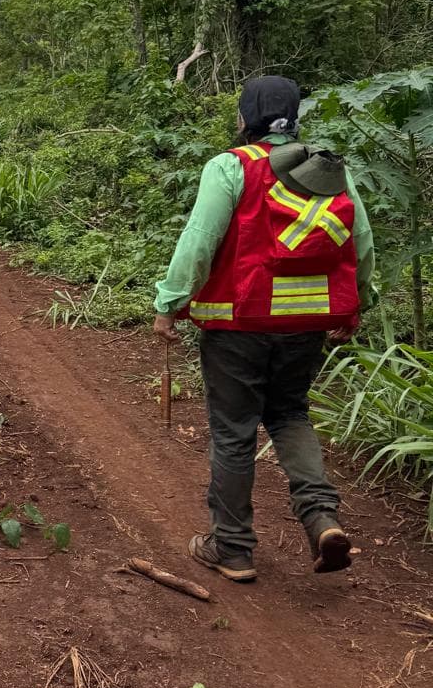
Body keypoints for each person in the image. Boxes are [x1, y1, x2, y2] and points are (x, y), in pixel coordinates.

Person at [153, 75, 375, 584]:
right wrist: (354, 307)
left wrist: (170, 303)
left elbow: (200, 238)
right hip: (307, 325)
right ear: (295, 116)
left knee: (234, 433)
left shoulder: (231, 166)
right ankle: (321, 519)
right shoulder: (329, 168)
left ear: (243, 118)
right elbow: (360, 242)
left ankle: (231, 548)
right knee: (291, 415)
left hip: (238, 324)